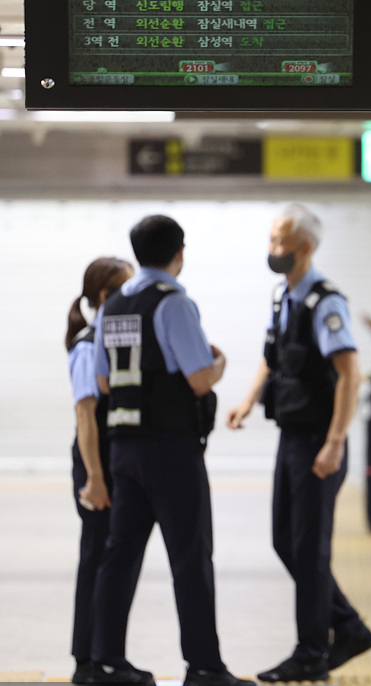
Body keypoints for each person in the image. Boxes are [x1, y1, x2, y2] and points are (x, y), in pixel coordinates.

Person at [89, 215, 251, 686]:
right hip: (171, 450)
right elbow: (199, 380)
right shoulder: (174, 304)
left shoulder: (113, 305)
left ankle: (108, 661)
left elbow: (103, 382)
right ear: (180, 252)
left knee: (120, 557)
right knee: (189, 557)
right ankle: (203, 667)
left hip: (124, 448)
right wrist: (219, 362)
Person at [225, 203, 371, 681]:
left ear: (305, 247)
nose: (272, 249)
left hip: (318, 441)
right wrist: (249, 399)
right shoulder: (284, 296)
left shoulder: (325, 301)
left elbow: (349, 375)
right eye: (271, 239)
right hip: (291, 437)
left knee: (309, 549)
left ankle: (311, 653)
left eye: (279, 242)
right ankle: (348, 627)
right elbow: (273, 357)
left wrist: (335, 442)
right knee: (285, 541)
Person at [65, 257, 133, 685]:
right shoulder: (88, 346)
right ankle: (87, 662)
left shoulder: (109, 339)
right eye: (126, 289)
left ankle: (103, 656)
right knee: (95, 557)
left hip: (110, 461)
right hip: (96, 462)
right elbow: (86, 416)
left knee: (109, 558)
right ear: (106, 297)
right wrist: (95, 476)